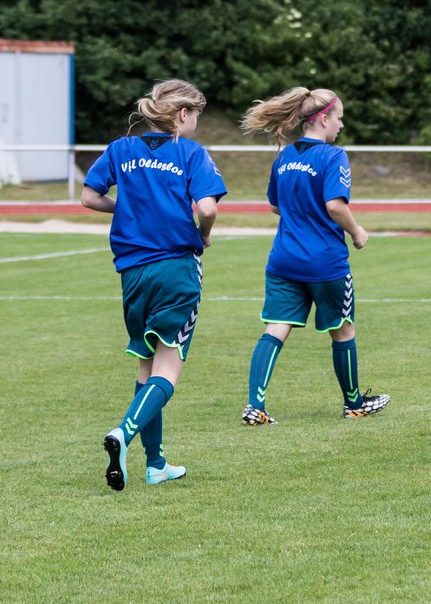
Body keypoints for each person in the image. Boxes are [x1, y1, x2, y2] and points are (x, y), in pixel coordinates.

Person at [82, 79, 226, 491]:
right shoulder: (189, 152)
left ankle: (156, 463)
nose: (197, 122)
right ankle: (122, 434)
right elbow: (208, 206)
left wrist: (123, 209)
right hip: (175, 269)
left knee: (146, 367)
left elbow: (89, 198)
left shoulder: (121, 149)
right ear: (183, 115)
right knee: (169, 367)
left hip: (131, 274)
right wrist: (204, 233)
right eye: (196, 114)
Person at [238, 87, 389, 424]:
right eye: (339, 119)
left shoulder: (284, 157)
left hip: (284, 260)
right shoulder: (333, 156)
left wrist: (300, 214)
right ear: (323, 119)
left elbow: (276, 205)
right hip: (325, 262)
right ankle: (353, 404)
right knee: (343, 329)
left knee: (275, 329)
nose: (341, 126)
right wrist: (357, 231)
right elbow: (335, 204)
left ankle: (255, 404)